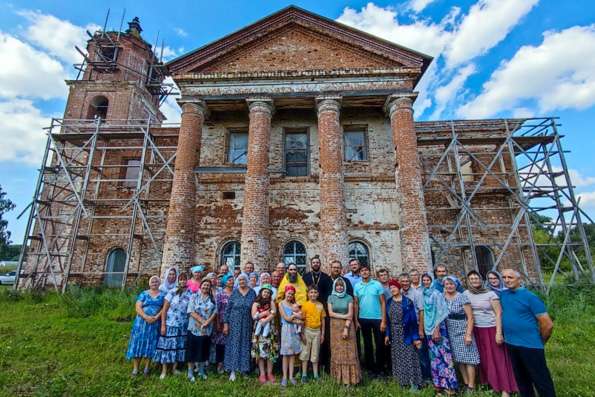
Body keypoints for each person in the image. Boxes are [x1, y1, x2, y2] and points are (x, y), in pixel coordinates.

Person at [500, 269, 555, 397]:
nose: (507, 280)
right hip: (511, 343)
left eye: (510, 277)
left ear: (519, 280)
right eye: (504, 277)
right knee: (521, 379)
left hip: (530, 345)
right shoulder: (503, 295)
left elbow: (547, 324)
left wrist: (541, 341)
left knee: (540, 379)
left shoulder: (530, 297)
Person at [465, 270, 518, 397]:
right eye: (471, 279)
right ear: (468, 281)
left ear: (481, 280)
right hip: (477, 330)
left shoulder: (490, 294)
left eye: (476, 278)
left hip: (492, 328)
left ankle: (506, 388)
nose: (474, 281)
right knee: (486, 359)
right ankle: (493, 384)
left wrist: (499, 333)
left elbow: (499, 313)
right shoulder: (466, 294)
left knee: (498, 358)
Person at [421, 273, 458, 395]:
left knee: (445, 358)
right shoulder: (423, 293)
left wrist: (436, 329)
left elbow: (441, 312)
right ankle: (439, 385)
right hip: (428, 329)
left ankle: (450, 386)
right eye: (424, 280)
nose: (426, 282)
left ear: (431, 281)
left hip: (438, 330)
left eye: (428, 280)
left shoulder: (436, 294)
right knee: (434, 359)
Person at [384, 279, 423, 389]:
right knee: (398, 358)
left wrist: (415, 337)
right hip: (394, 333)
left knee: (410, 356)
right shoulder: (389, 302)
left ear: (399, 288)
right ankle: (402, 382)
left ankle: (414, 383)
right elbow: (387, 321)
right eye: (391, 288)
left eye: (394, 288)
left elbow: (413, 321)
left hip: (406, 333)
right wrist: (387, 334)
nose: (392, 290)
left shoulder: (407, 302)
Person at [444, 276, 480, 392]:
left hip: (462, 328)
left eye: (451, 284)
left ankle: (471, 386)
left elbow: (470, 317)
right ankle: (465, 382)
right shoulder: (442, 297)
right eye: (447, 284)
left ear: (456, 285)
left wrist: (468, 334)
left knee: (469, 357)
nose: (449, 286)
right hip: (450, 329)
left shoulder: (462, 297)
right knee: (459, 358)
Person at [154, 272, 192, 379]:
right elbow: (164, 310)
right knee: (167, 347)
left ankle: (174, 368)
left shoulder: (190, 294)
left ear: (187, 281)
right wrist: (163, 325)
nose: (182, 281)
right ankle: (164, 370)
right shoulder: (172, 292)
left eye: (185, 279)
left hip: (183, 325)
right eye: (181, 279)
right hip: (170, 324)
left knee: (178, 347)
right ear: (178, 281)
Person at [126, 275, 165, 376]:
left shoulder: (163, 295)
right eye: (152, 281)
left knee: (151, 344)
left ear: (159, 283)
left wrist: (156, 317)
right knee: (138, 343)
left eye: (156, 282)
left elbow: (164, 308)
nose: (154, 283)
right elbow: (138, 307)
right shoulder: (143, 294)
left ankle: (147, 368)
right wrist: (145, 316)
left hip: (155, 323)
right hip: (142, 323)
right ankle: (135, 368)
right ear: (149, 283)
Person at [353, 264, 386, 377]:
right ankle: (370, 368)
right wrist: (356, 320)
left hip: (377, 318)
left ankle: (380, 368)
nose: (364, 272)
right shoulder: (357, 286)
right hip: (363, 318)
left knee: (379, 344)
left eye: (366, 270)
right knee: (367, 345)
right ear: (360, 273)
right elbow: (356, 303)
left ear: (370, 272)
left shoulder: (377, 284)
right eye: (362, 271)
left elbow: (383, 302)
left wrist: (383, 320)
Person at [327, 278, 361, 385]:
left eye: (341, 285)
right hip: (334, 329)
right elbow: (330, 313)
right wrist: (344, 315)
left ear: (344, 287)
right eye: (337, 285)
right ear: (334, 286)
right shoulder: (330, 297)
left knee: (349, 352)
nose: (340, 287)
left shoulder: (349, 297)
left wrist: (346, 328)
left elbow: (350, 315)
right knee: (337, 352)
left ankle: (351, 379)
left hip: (347, 326)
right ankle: (338, 378)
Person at [302, 255, 333, 370]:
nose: (315, 264)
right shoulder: (305, 276)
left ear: (320, 264)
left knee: (322, 336)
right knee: (308, 337)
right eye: (313, 262)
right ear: (311, 264)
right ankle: (308, 365)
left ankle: (323, 362)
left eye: (317, 262)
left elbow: (329, 292)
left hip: (322, 307)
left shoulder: (325, 277)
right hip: (309, 307)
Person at [223, 274, 256, 381]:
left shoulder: (252, 292)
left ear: (247, 281)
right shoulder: (234, 292)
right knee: (234, 344)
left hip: (247, 323)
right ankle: (233, 370)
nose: (242, 281)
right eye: (240, 280)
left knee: (246, 345)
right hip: (234, 323)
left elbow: (256, 307)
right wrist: (226, 324)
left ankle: (244, 370)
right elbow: (227, 310)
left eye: (243, 280)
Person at [400, 272, 431, 383]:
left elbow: (421, 311)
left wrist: (421, 329)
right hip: (405, 327)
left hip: (417, 326)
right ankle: (412, 377)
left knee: (421, 352)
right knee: (409, 353)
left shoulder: (417, 294)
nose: (405, 283)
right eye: (403, 281)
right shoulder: (399, 293)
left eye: (407, 281)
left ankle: (426, 378)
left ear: (410, 281)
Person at [187, 279, 216, 381]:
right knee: (192, 350)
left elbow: (215, 312)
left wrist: (207, 322)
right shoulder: (194, 296)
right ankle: (190, 372)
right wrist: (203, 321)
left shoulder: (212, 299)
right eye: (204, 285)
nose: (205, 287)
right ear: (200, 286)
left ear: (210, 288)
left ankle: (201, 370)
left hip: (206, 329)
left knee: (203, 350)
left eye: (208, 286)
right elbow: (190, 311)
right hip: (194, 327)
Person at [251, 284, 279, 384]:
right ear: (261, 292)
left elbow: (274, 313)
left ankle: (269, 373)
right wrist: (264, 314)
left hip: (270, 328)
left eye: (268, 292)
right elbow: (254, 316)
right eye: (264, 292)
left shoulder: (271, 302)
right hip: (259, 330)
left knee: (270, 352)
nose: (266, 294)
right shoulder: (256, 303)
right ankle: (262, 373)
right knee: (261, 352)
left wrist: (266, 320)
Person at [299, 286, 326, 382]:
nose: (313, 294)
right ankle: (304, 374)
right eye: (311, 292)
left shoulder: (320, 305)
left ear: (318, 294)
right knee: (305, 352)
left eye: (315, 292)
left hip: (317, 331)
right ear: (308, 294)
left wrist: (322, 334)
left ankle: (315, 375)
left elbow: (323, 320)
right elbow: (302, 320)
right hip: (307, 330)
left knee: (315, 353)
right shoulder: (305, 305)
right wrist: (302, 333)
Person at [279, 285, 303, 387]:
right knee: (285, 353)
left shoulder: (295, 305)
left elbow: (301, 319)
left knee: (292, 353)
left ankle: (291, 376)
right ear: (285, 293)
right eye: (289, 293)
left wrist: (297, 319)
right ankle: (284, 376)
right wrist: (294, 316)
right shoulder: (281, 304)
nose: (290, 295)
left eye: (292, 294)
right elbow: (286, 318)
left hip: (294, 329)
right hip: (286, 329)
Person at [212, 274, 233, 374]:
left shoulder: (236, 293)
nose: (231, 282)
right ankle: (219, 363)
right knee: (220, 344)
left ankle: (228, 363)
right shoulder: (220, 294)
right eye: (229, 280)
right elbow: (217, 309)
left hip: (233, 322)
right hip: (221, 321)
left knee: (230, 343)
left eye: (232, 280)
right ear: (225, 282)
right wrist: (217, 323)